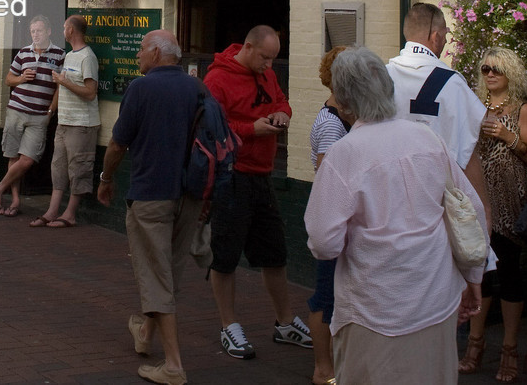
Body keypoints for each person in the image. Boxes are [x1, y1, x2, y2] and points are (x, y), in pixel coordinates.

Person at [305, 47, 486, 384]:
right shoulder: (427, 138)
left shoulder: (345, 155)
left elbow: (323, 243)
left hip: (375, 309)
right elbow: (470, 210)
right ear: (388, 89)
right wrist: (473, 277)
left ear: (342, 102)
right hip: (436, 298)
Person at [96, 29, 205, 385]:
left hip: (150, 195)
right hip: (188, 194)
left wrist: (105, 178)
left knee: (156, 277)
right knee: (169, 273)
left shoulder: (140, 89)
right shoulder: (196, 87)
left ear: (158, 53)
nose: (138, 55)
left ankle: (173, 365)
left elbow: (117, 144)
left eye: (142, 49)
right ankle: (144, 333)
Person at [203, 24, 311, 358]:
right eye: (265, 58)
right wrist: (252, 129)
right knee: (225, 256)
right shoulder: (216, 80)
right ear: (248, 47)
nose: (269, 65)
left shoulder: (267, 74)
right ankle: (229, 325)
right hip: (232, 176)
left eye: (274, 59)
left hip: (262, 176)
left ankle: (284, 322)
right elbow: (212, 128)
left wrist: (282, 113)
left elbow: (281, 100)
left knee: (274, 252)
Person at [461, 46, 527, 381]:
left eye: (496, 68)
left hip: (509, 204)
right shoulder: (475, 107)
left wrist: (509, 136)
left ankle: (509, 349)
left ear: (510, 72)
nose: (490, 74)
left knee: (509, 274)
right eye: (484, 69)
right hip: (480, 203)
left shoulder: (523, 110)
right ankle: (475, 345)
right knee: (480, 273)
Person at [387, 3, 489, 219]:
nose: (444, 40)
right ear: (435, 37)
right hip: (433, 204)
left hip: (386, 198)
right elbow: (466, 153)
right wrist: (484, 211)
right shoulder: (452, 83)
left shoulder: (382, 77)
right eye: (444, 35)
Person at [307, 46, 352, 385]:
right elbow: (328, 180)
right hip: (333, 223)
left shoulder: (341, 118)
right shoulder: (332, 126)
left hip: (339, 222)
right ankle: (323, 370)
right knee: (326, 294)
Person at [0, 15, 63, 218]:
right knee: (13, 156)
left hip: (39, 115)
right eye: (32, 31)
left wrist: (50, 112)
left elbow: (59, 88)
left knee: (28, 159)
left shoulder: (59, 55)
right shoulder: (23, 53)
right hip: (16, 110)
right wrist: (21, 78)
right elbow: (8, 80)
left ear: (48, 31)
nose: (35, 35)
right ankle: (15, 199)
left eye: (39, 30)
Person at [32, 14, 101, 229]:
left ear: (71, 30)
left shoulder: (87, 57)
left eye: (64, 27)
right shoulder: (70, 55)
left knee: (78, 169)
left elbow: (91, 92)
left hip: (82, 124)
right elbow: (63, 87)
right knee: (58, 167)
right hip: (64, 122)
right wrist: (53, 109)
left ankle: (70, 213)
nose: (63, 31)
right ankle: (52, 211)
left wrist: (63, 82)